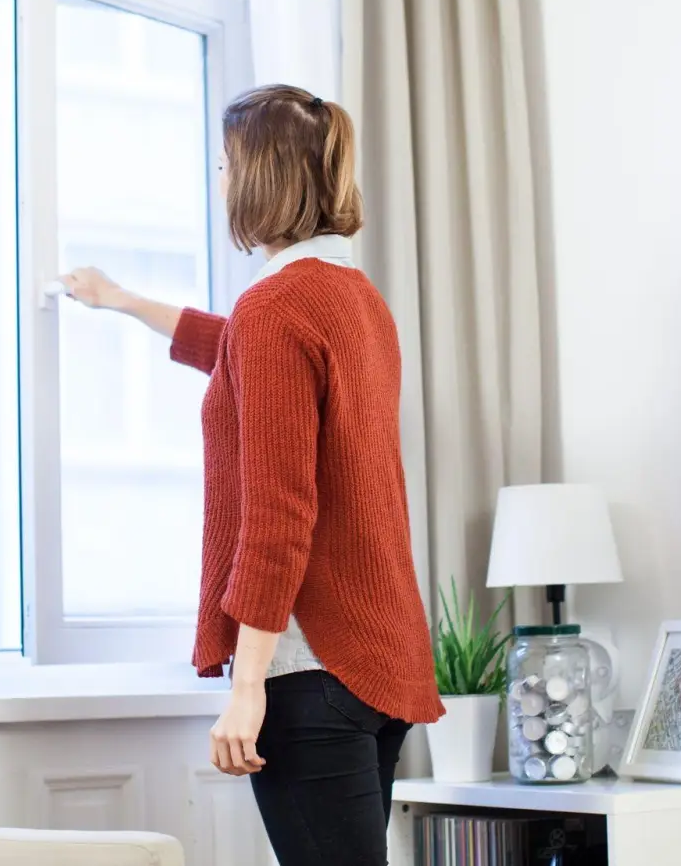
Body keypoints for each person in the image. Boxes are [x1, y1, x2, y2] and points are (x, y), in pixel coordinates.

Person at [57, 84, 442, 865]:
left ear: (263, 177)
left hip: (310, 670)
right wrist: (122, 300)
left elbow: (279, 513)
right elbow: (237, 350)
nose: (221, 181)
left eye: (228, 165)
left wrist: (248, 686)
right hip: (378, 664)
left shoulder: (277, 308)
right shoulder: (355, 300)